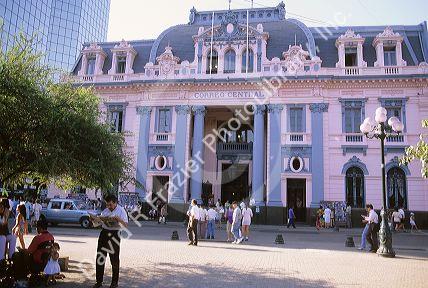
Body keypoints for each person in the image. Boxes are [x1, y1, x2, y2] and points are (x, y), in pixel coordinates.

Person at [92, 194, 128, 288]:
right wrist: (94, 219)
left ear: (115, 203)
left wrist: (118, 219)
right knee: (100, 257)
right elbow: (99, 223)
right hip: (104, 234)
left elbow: (125, 225)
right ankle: (99, 281)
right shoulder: (106, 210)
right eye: (107, 204)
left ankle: (114, 283)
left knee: (114, 259)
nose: (109, 207)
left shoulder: (121, 210)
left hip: (114, 235)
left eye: (110, 205)